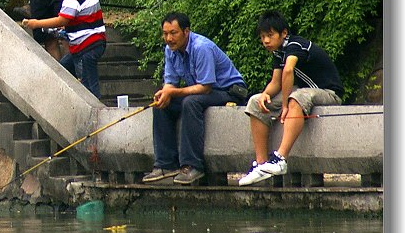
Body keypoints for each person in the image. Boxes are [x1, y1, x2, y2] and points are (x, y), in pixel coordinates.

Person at [238, 11, 344, 186]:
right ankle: (262, 165)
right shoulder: (278, 52)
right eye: (263, 37)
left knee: (297, 97)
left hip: (328, 92)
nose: (265, 41)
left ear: (284, 33)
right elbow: (276, 82)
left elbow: (288, 71)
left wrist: (285, 105)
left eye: (270, 35)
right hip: (303, 91)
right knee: (255, 102)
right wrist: (266, 94)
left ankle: (280, 159)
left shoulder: (295, 45)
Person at [142, 12, 248, 186]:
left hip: (228, 91)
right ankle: (165, 164)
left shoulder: (201, 47)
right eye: (165, 33)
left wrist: (173, 92)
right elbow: (170, 82)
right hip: (204, 91)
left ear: (186, 32)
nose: (169, 38)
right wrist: (164, 93)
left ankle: (192, 165)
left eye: (173, 33)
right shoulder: (170, 50)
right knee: (161, 105)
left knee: (190, 102)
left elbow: (205, 87)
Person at [21, 0, 107, 97]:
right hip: (88, 45)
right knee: (62, 71)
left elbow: (62, 20)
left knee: (89, 87)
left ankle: (96, 114)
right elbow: (74, 20)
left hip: (86, 46)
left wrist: (35, 23)